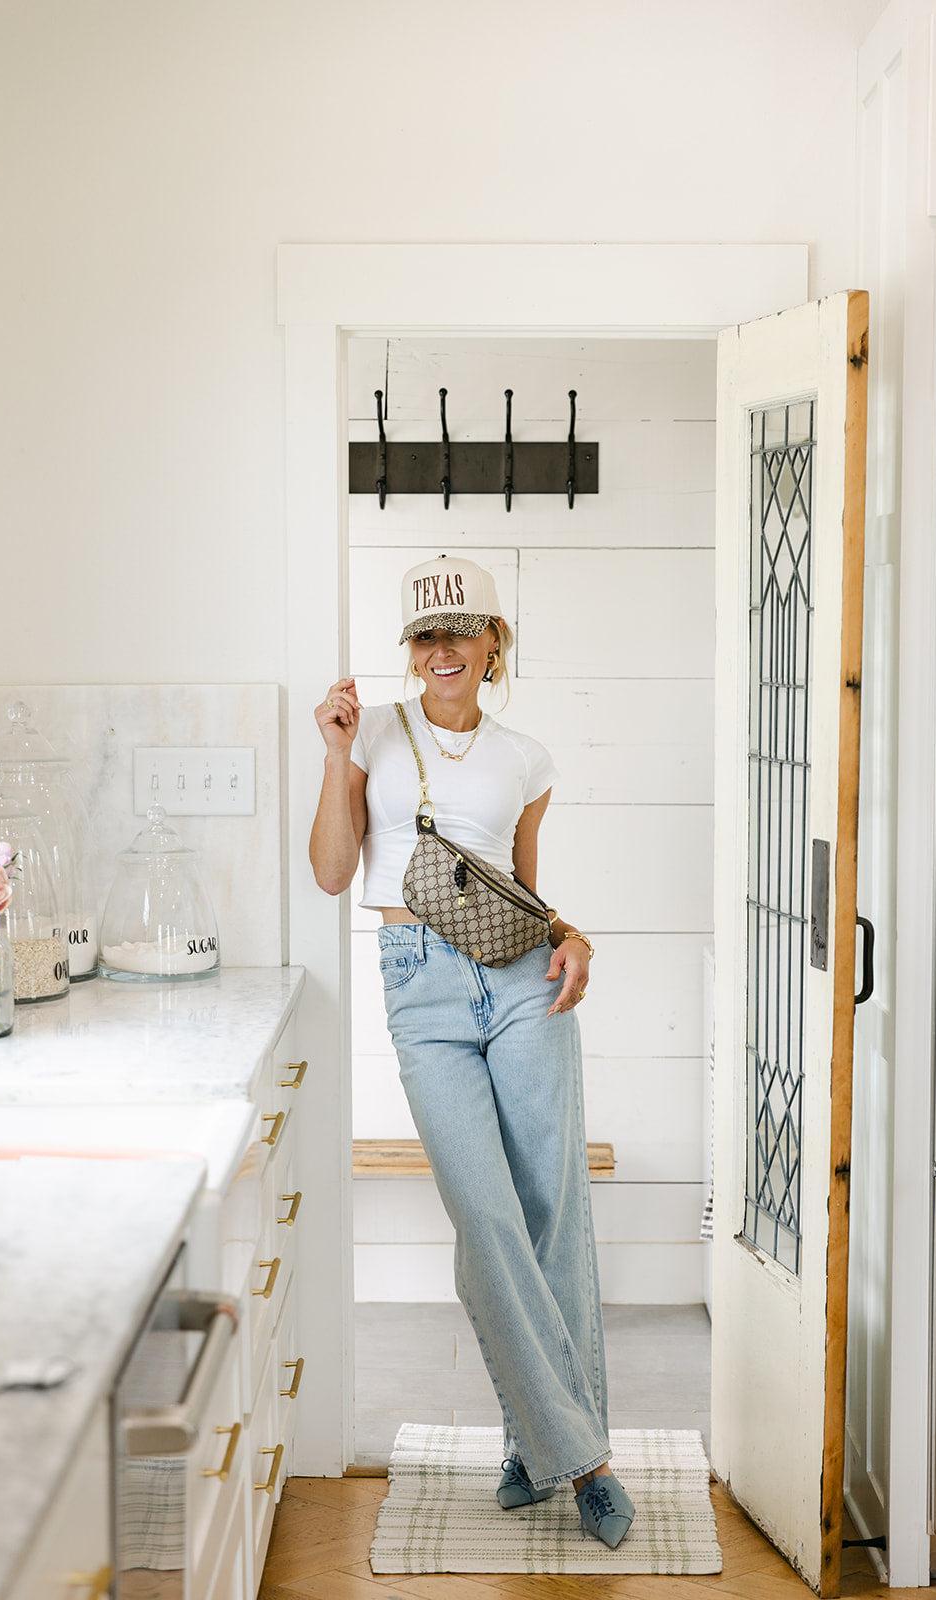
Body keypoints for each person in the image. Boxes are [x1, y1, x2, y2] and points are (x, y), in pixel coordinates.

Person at [308, 553, 635, 1549]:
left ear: (495, 642)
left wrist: (571, 936)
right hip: (418, 982)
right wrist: (332, 755)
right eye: (425, 634)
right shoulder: (370, 731)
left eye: (461, 630)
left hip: (525, 981)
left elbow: (521, 893)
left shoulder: (526, 758)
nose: (442, 648)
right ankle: (584, 1459)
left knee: (551, 1212)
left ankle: (533, 1445)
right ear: (410, 649)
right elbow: (332, 874)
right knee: (486, 1217)